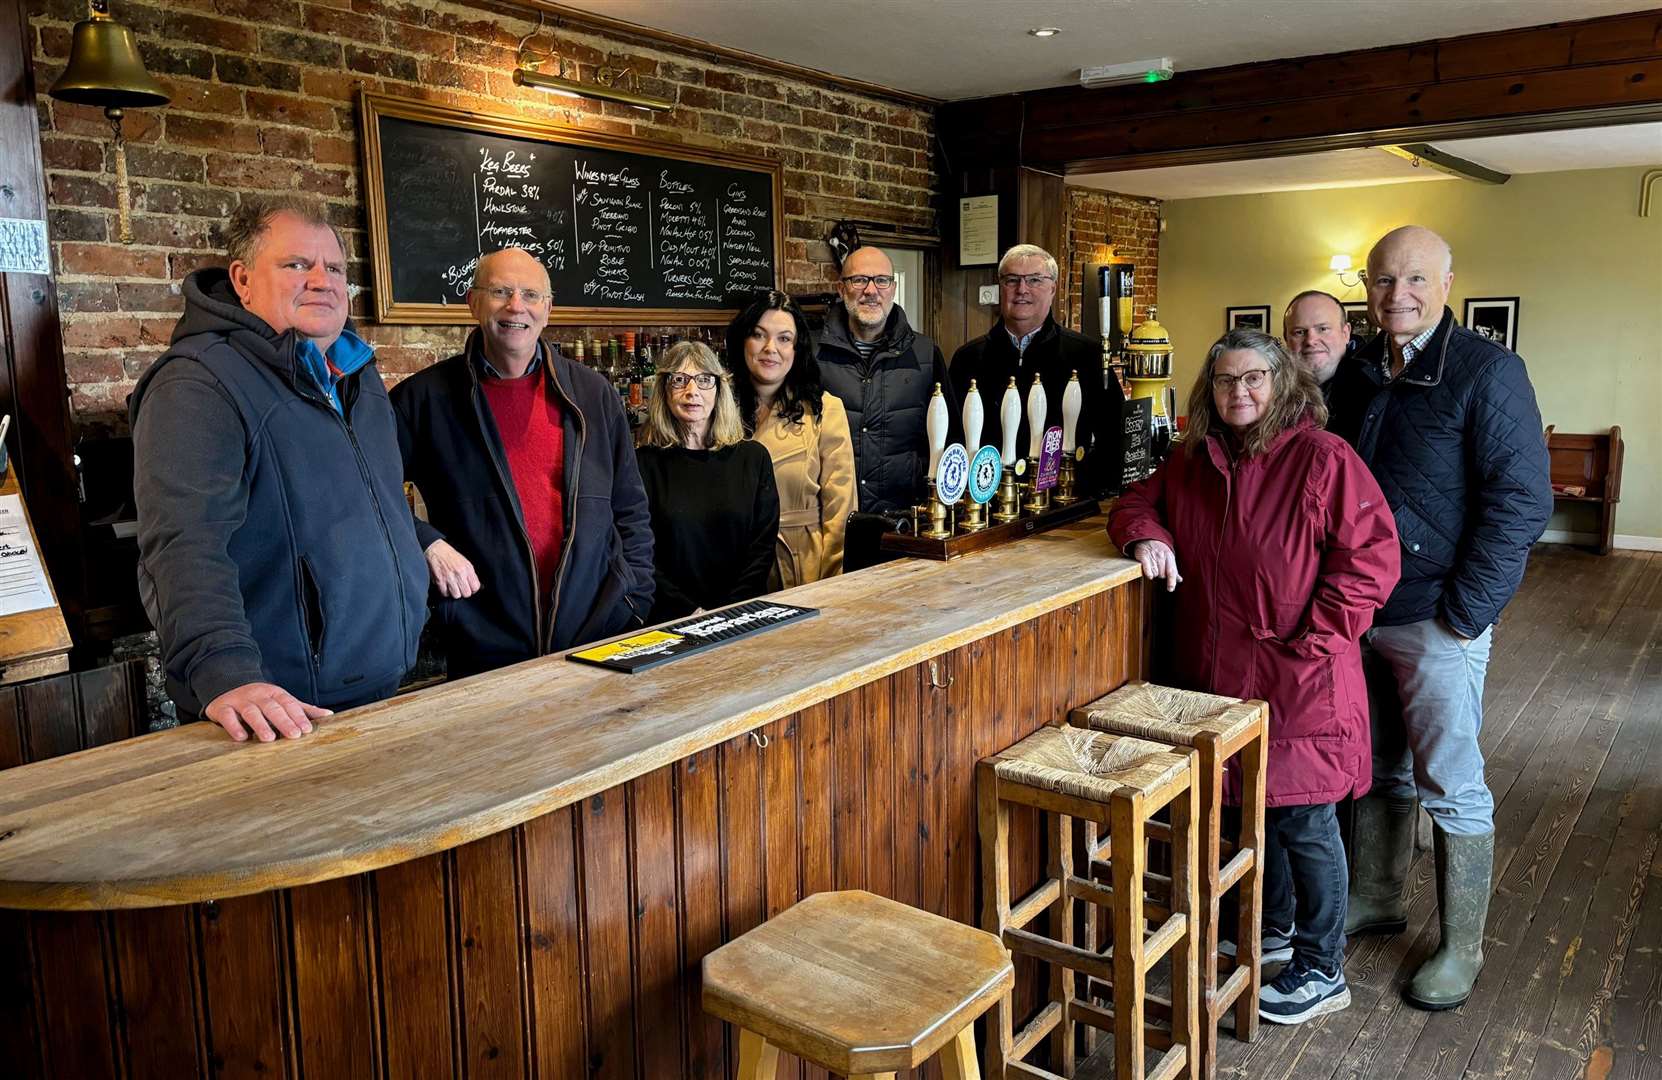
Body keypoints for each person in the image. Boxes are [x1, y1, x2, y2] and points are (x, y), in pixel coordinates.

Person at [1109, 329, 1400, 1026]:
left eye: (1253, 380)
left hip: (1298, 676)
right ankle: (1269, 931)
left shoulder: (1323, 458)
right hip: (1219, 678)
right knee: (1250, 809)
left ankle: (1321, 968)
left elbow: (1372, 561)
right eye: (1225, 381)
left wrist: (1315, 639)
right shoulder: (1192, 461)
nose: (1238, 393)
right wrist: (1150, 536)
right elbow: (1133, 504)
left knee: (1304, 820)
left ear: (1282, 385)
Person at [1332, 225, 1551, 1011]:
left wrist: (1465, 617)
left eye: (1416, 280)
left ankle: (1464, 946)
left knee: (1451, 784)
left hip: (1437, 619)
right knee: (1382, 766)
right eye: (1385, 281)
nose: (1399, 296)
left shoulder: (1489, 373)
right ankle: (1379, 897)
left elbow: (1523, 502)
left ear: (1448, 284)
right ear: (1368, 287)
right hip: (1364, 613)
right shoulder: (1357, 372)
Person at [130, 195, 428, 742]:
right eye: (296, 265)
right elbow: (184, 545)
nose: (321, 281)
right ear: (242, 280)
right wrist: (227, 675)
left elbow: (368, 497)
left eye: (334, 268)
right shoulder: (197, 384)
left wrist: (424, 541)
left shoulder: (355, 375)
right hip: (277, 710)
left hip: (377, 680)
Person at [391, 247, 653, 678]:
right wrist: (425, 542)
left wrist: (633, 597)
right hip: (482, 645)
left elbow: (630, 507)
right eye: (500, 291)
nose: (517, 306)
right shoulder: (423, 400)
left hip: (598, 635)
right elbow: (368, 494)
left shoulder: (593, 393)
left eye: (530, 294)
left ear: (548, 310)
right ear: (473, 303)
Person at [949, 243, 1124, 494]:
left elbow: (1113, 435)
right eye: (1012, 280)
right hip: (987, 501)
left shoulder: (1086, 355)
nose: (1022, 289)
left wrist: (1093, 489)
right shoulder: (967, 358)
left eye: (1034, 280)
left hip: (1066, 501)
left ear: (1053, 288)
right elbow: (953, 437)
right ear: (1001, 287)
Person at [635, 340, 779, 622]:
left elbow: (762, 548)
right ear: (664, 390)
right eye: (680, 380)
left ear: (719, 389)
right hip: (669, 619)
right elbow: (640, 553)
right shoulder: (641, 464)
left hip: (743, 615)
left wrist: (730, 610)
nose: (692, 392)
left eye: (704, 380)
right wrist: (687, 611)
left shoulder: (753, 459)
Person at [724, 290, 855, 589]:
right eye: (759, 335)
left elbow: (841, 512)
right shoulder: (714, 406)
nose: (771, 348)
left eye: (784, 338)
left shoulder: (824, 410)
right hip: (728, 572)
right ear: (742, 340)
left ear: (798, 349)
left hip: (800, 572)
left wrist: (834, 587)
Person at [817, 245, 959, 514]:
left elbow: (950, 438)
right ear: (840, 288)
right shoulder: (813, 354)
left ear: (893, 288)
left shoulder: (925, 353)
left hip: (906, 516)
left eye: (881, 280)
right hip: (834, 515)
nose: (871, 291)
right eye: (859, 280)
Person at [1283, 290, 1353, 390]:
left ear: (1345, 333)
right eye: (1300, 332)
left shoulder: (1376, 390)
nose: (1310, 341)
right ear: (1286, 339)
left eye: (1323, 329)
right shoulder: (1269, 393)